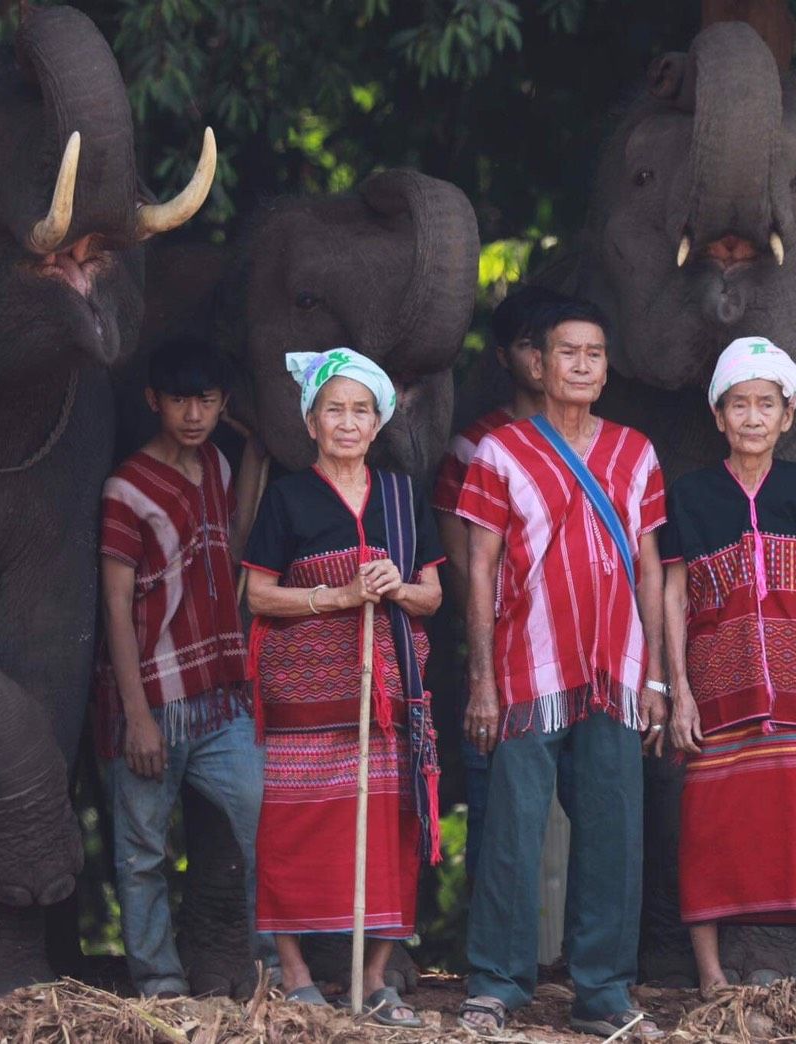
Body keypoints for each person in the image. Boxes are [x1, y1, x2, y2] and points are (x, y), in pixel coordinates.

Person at [456, 300, 668, 1039]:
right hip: (526, 668)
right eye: (568, 353)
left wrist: (657, 677)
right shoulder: (500, 452)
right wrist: (481, 681)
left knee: (614, 829)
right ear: (539, 366)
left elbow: (650, 567)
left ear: (606, 371)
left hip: (617, 666)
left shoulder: (636, 452)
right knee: (512, 829)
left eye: (594, 354)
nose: (582, 365)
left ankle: (603, 992)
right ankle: (496, 984)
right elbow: (479, 568)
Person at [661, 338, 796, 992]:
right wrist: (679, 690)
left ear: (788, 417)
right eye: (739, 404)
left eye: (766, 404)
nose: (753, 417)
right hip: (719, 684)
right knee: (709, 824)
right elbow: (673, 594)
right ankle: (711, 976)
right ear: (718, 415)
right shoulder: (691, 495)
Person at [243, 347, 443, 1028]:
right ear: (312, 422)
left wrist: (397, 587)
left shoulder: (401, 496)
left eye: (361, 411)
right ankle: (296, 974)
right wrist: (335, 596)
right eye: (335, 410)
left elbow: (433, 596)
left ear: (378, 422)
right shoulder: (288, 497)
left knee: (390, 829)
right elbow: (258, 594)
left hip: (388, 700)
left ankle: (375, 979)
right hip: (306, 702)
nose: (348, 423)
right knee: (295, 829)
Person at [95, 338, 268, 998]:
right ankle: (160, 984)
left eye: (206, 401)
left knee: (263, 823)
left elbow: (234, 549)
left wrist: (255, 452)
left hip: (220, 696)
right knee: (142, 852)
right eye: (178, 401)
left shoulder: (218, 465)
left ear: (223, 404)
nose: (193, 415)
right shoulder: (126, 488)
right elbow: (116, 606)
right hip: (154, 699)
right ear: (153, 401)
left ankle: (270, 969)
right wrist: (136, 716)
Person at [432, 285, 565, 877]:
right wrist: (494, 642)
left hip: (587, 657)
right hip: (505, 654)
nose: (541, 359)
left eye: (552, 345)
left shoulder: (604, 443)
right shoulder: (474, 446)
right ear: (504, 358)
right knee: (499, 814)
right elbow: (463, 564)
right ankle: (492, 935)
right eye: (528, 345)